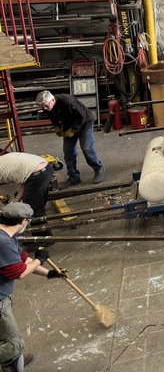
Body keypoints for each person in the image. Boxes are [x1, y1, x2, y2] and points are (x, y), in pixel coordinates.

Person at [0, 202, 64, 371]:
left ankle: (14, 356)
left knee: (4, 337)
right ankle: (12, 360)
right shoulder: (3, 242)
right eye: (28, 221)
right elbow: (19, 272)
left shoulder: (7, 235)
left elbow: (22, 260)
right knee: (13, 343)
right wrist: (39, 259)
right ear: (23, 221)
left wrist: (48, 273)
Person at [35, 91, 104, 187]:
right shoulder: (46, 106)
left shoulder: (68, 102)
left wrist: (72, 130)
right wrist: (57, 127)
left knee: (86, 148)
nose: (44, 108)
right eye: (42, 107)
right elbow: (52, 116)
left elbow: (82, 117)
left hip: (85, 123)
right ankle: (74, 176)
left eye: (46, 106)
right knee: (68, 152)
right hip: (68, 124)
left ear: (53, 100)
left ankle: (98, 169)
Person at [0, 152, 53, 221]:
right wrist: (14, 203)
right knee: (38, 203)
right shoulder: (4, 161)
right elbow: (25, 182)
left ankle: (41, 227)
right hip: (46, 168)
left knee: (31, 210)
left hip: (36, 174)